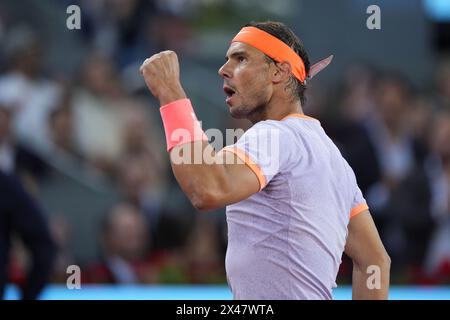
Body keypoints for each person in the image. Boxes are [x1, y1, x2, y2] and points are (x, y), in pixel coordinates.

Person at [140, 21, 390, 299]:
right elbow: (374, 262)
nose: (223, 70)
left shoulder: (274, 135)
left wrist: (170, 93)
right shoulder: (334, 159)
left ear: (278, 71)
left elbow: (206, 188)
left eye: (241, 58)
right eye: (227, 60)